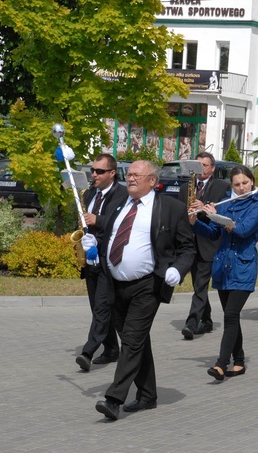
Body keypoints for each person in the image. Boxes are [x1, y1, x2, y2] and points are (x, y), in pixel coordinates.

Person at [87, 160, 195, 420]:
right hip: (115, 283)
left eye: (137, 175)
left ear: (152, 181)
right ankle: (147, 395)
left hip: (147, 285)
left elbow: (187, 247)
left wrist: (177, 270)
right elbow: (111, 234)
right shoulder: (120, 204)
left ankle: (114, 399)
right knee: (136, 340)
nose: (131, 178)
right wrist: (95, 245)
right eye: (129, 174)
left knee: (132, 340)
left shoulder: (170, 208)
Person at [190, 166, 258, 381]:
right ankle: (239, 360)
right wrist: (196, 221)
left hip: (243, 265)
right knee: (232, 317)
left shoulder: (257, 202)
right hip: (223, 265)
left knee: (231, 315)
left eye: (245, 183)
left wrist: (214, 216)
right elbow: (214, 234)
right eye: (237, 184)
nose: (241, 188)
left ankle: (221, 364)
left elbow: (242, 230)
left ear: (252, 181)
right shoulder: (227, 201)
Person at [75, 154, 127, 371]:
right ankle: (112, 349)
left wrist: (99, 220)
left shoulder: (123, 194)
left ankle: (88, 351)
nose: (94, 174)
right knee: (98, 306)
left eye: (99, 171)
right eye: (93, 170)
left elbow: (123, 223)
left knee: (103, 307)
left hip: (109, 258)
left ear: (112, 173)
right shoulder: (89, 194)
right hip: (91, 259)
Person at [181, 152, 229, 340]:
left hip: (209, 242)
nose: (201, 169)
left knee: (200, 285)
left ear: (212, 168)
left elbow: (221, 213)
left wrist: (204, 207)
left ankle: (191, 323)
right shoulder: (186, 188)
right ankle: (207, 320)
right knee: (197, 285)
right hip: (191, 243)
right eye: (198, 165)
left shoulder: (222, 187)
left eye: (205, 165)